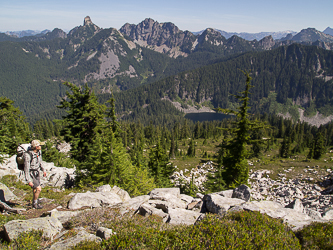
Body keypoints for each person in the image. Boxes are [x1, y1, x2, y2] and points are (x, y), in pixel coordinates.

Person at [23, 140, 46, 209]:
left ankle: (35, 200)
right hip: (31, 173)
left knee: (35, 188)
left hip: (37, 172)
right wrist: (28, 180)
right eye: (40, 145)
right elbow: (26, 168)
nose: (41, 146)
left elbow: (40, 161)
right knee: (38, 188)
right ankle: (35, 203)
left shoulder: (39, 152)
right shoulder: (27, 155)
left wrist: (43, 170)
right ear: (36, 146)